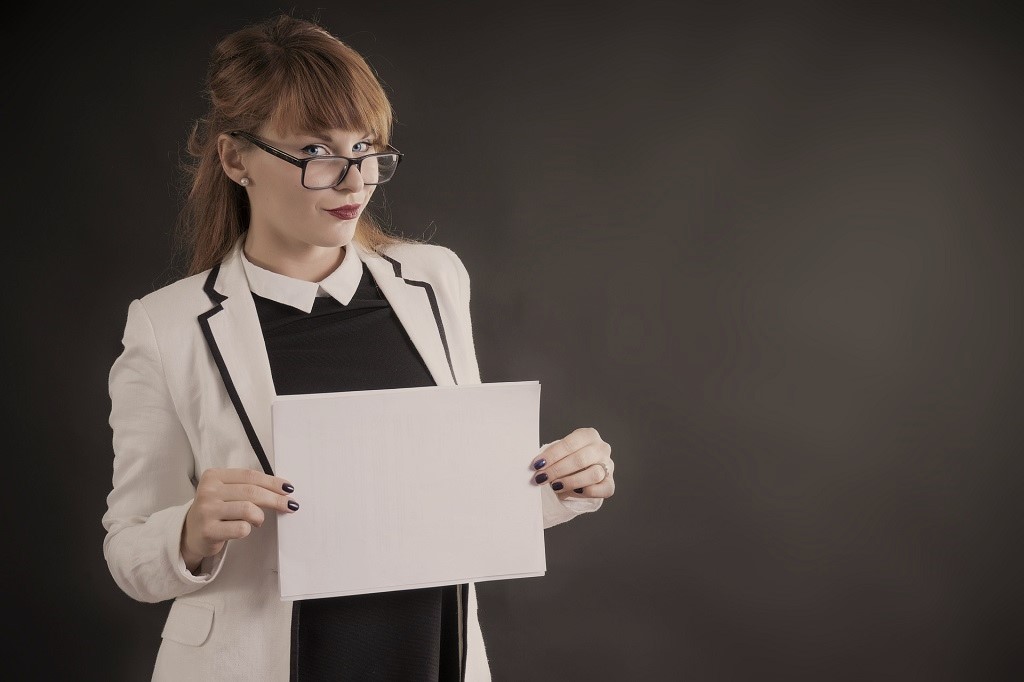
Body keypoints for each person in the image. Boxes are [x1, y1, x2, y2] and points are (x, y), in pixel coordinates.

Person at [102, 13, 616, 682]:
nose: (355, 180)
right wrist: (193, 530)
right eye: (317, 152)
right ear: (235, 158)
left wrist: (566, 484)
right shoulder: (166, 326)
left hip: (428, 654)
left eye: (367, 148)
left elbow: (441, 501)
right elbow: (129, 550)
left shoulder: (433, 279)